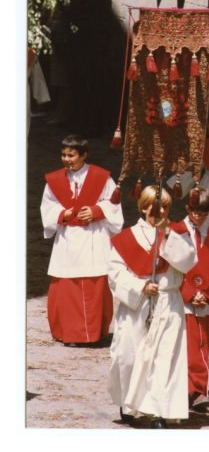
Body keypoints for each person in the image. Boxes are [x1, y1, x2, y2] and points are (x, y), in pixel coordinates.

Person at [107, 185, 196, 429]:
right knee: (128, 354)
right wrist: (139, 286)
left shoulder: (178, 233)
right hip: (137, 304)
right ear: (143, 207)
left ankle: (159, 411)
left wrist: (168, 236)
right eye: (154, 207)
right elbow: (115, 273)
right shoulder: (127, 237)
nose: (159, 213)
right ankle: (128, 403)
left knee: (163, 358)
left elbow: (188, 262)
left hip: (168, 302)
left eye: (165, 208)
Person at [40, 134, 124, 346]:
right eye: (63, 155)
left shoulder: (101, 177)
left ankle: (93, 334)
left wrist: (97, 210)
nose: (66, 159)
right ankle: (68, 332)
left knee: (93, 283)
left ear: (83, 155)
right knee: (67, 286)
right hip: (67, 238)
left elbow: (113, 203)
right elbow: (47, 206)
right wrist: (62, 215)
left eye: (71, 155)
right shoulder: (55, 180)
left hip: (93, 237)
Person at [171, 188, 209, 410]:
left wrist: (206, 295)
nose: (199, 216)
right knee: (180, 344)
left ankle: (198, 389)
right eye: (195, 212)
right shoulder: (174, 232)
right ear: (187, 208)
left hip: (204, 301)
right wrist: (188, 293)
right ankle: (182, 388)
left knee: (201, 343)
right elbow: (170, 268)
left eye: (204, 213)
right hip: (180, 298)